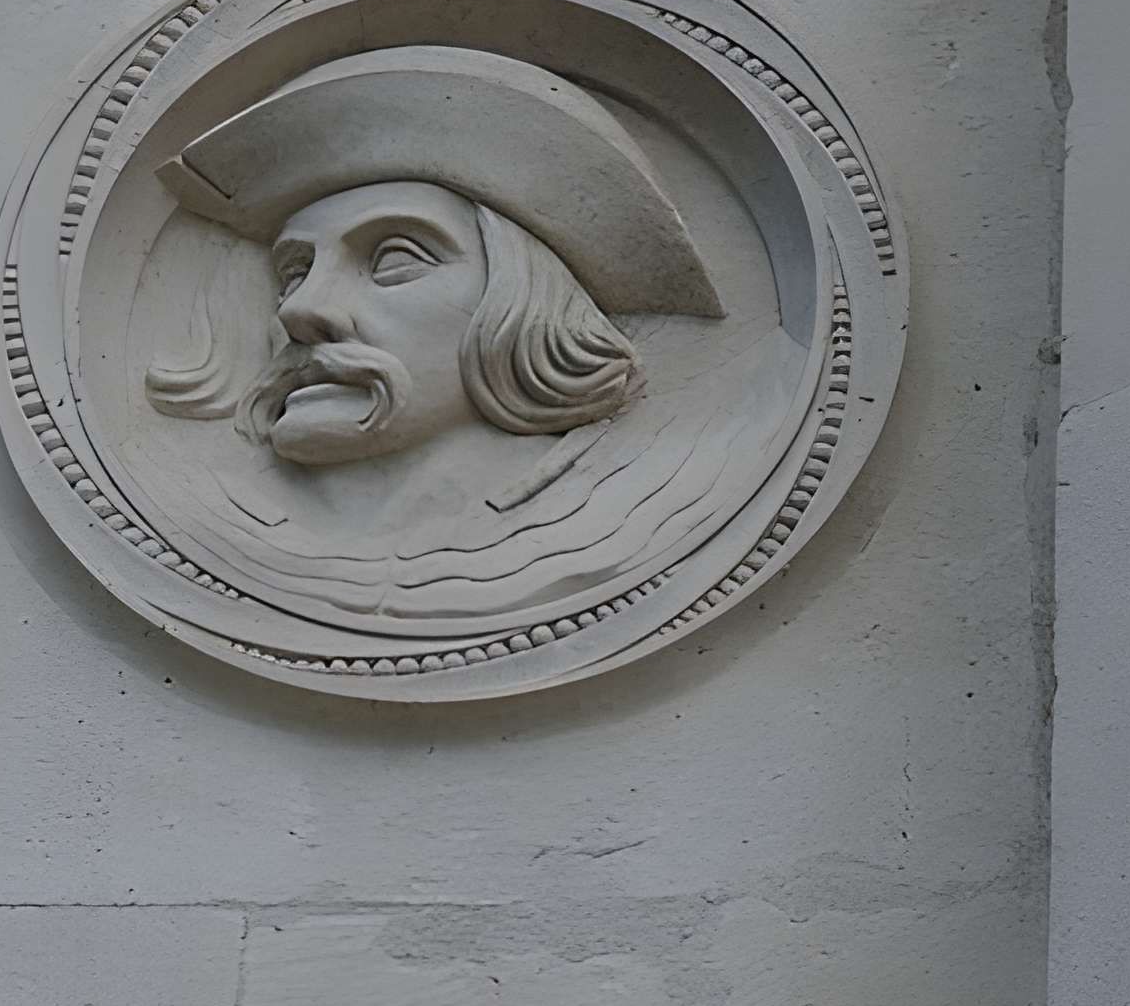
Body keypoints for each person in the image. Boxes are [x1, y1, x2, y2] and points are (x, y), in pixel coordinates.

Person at [137, 46, 756, 626]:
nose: (301, 311)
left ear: (529, 302)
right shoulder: (217, 527)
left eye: (395, 260)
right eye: (294, 273)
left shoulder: (641, 510)